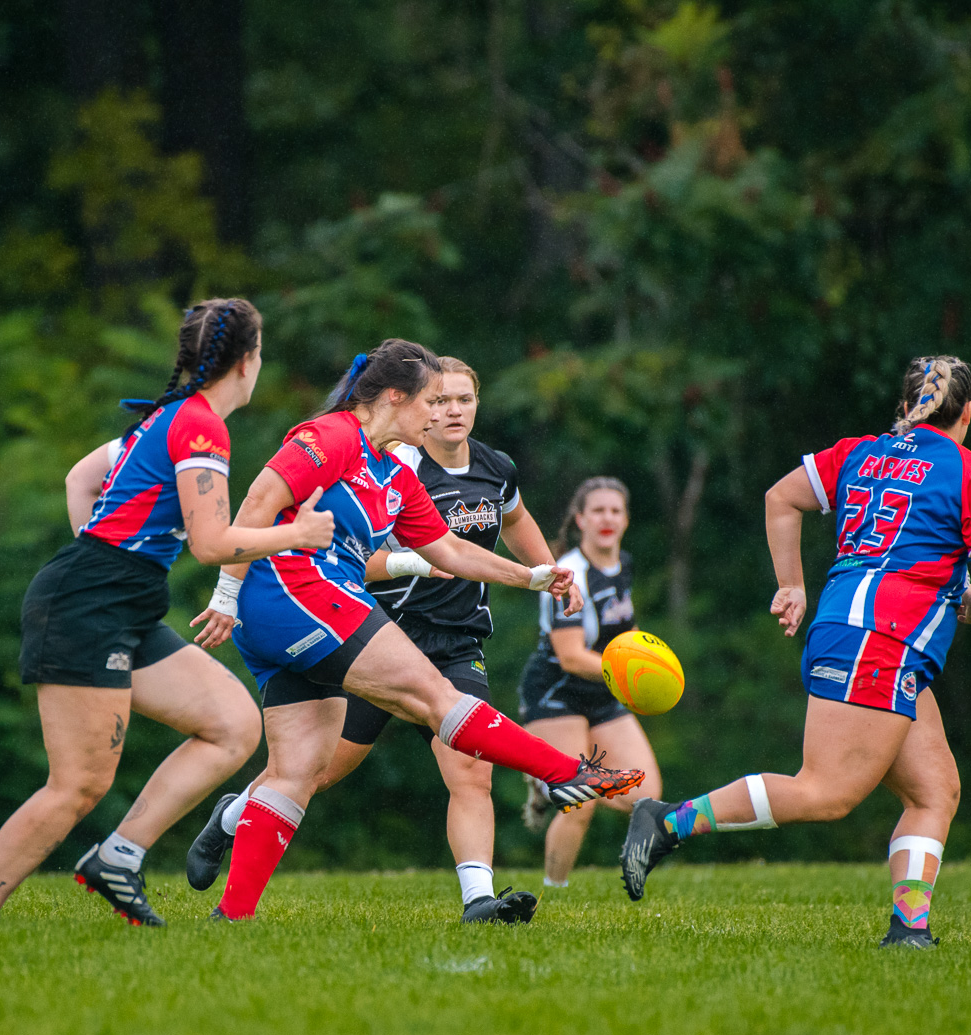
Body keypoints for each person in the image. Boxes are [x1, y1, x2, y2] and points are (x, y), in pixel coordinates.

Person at [189, 338, 645, 921]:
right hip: (296, 593)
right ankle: (565, 772)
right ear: (397, 398)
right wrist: (226, 594)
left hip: (307, 606)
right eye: (431, 401)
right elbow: (256, 501)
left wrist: (531, 577)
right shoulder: (330, 436)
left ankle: (231, 916)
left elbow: (450, 550)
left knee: (299, 769)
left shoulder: (393, 472)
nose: (439, 414)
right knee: (438, 700)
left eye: (453, 401)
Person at [0, 298, 334, 927]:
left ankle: (119, 858)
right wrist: (299, 533)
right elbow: (211, 545)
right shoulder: (202, 425)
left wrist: (98, 556)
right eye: (260, 351)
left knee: (233, 723)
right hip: (91, 603)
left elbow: (80, 478)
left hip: (115, 597)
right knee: (78, 784)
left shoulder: (167, 416)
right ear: (247, 360)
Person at [620, 356, 971, 948]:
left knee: (934, 790)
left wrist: (792, 583)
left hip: (853, 627)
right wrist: (965, 606)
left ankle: (910, 929)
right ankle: (669, 821)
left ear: (905, 403)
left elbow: (781, 497)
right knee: (826, 793)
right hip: (881, 638)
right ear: (967, 412)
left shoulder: (860, 452)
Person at [517, 478, 664, 889]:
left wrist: (648, 662)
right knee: (579, 802)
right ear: (580, 519)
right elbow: (570, 655)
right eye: (597, 510)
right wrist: (631, 674)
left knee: (645, 797)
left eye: (615, 511)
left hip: (601, 691)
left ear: (626, 520)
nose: (607, 518)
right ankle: (554, 891)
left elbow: (625, 630)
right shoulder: (572, 573)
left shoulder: (624, 565)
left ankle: (552, 781)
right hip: (555, 691)